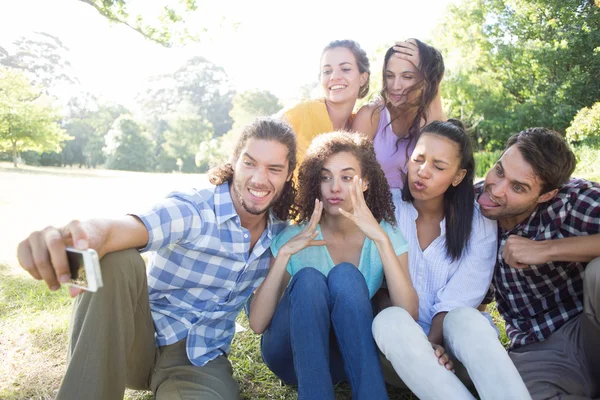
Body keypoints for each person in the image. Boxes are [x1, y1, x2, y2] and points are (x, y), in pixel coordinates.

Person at [16, 118, 299, 400]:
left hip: (199, 361)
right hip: (135, 340)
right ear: (235, 161)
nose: (260, 179)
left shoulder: (279, 235)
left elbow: (261, 319)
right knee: (116, 258)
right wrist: (77, 238)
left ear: (287, 175)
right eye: (250, 163)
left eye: (274, 169)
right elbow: (119, 229)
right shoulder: (195, 210)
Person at [248, 131, 418, 400]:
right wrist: (283, 256)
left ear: (365, 182)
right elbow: (257, 324)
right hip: (290, 355)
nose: (334, 187)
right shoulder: (293, 238)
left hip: (343, 356)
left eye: (346, 177)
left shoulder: (383, 234)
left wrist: (381, 239)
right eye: (325, 177)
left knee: (347, 277)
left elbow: (407, 313)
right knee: (308, 280)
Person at [372, 120, 531, 399]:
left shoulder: (478, 220)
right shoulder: (388, 207)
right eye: (418, 159)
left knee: (466, 318)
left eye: (438, 166)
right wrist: (423, 348)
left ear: (458, 177)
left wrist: (436, 343)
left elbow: (464, 293)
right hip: (400, 354)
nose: (422, 171)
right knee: (389, 320)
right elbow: (378, 286)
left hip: (458, 354)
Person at [476, 127, 600, 399]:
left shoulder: (574, 201)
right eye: (499, 171)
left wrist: (548, 250)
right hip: (534, 349)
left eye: (517, 187)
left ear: (546, 195)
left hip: (587, 327)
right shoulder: (470, 207)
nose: (496, 190)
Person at [352, 39, 445, 203]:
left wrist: (431, 72)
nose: (395, 86)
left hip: (417, 213)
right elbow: (352, 177)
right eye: (389, 76)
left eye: (407, 76)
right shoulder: (371, 116)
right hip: (374, 213)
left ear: (426, 80)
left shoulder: (431, 117)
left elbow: (434, 155)